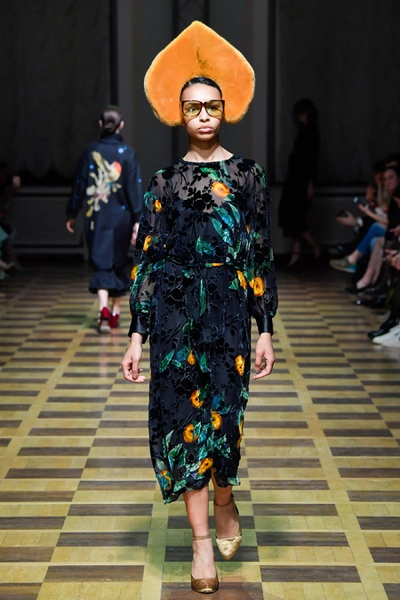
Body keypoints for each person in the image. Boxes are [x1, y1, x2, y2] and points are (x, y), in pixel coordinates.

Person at [120, 22, 277, 595]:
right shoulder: (164, 182)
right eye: (193, 107)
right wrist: (137, 334)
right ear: (179, 113)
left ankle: (226, 498)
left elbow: (258, 251)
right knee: (185, 426)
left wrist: (265, 327)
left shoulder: (247, 177)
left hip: (230, 313)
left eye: (212, 106)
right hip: (174, 315)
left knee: (226, 423)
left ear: (225, 110)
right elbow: (148, 257)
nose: (204, 115)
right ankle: (201, 542)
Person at [66, 106, 142, 332]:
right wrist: (138, 220)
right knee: (118, 261)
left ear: (101, 124)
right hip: (122, 217)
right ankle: (115, 312)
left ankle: (103, 308)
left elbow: (80, 184)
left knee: (101, 261)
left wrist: (72, 212)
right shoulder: (128, 153)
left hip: (96, 216)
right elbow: (134, 190)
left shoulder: (91, 151)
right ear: (121, 125)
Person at [278, 98, 321, 266]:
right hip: (295, 179)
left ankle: (315, 246)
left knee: (295, 217)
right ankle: (296, 254)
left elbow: (312, 161)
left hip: (301, 181)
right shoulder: (304, 132)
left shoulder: (311, 133)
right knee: (292, 216)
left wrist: (310, 183)